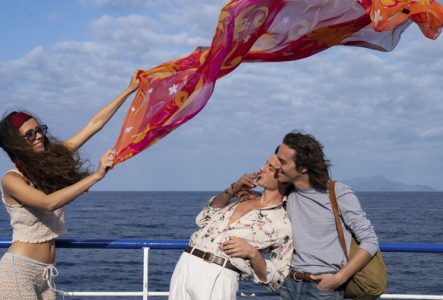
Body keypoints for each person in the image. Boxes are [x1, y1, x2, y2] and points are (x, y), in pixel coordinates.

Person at [0, 69, 143, 300]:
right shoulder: (12, 180)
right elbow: (49, 202)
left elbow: (94, 125)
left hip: (46, 275)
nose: (38, 136)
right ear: (16, 144)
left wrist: (128, 91)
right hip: (19, 273)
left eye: (39, 130)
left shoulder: (50, 163)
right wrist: (96, 176)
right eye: (29, 135)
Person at [168, 154, 293, 300]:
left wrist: (253, 254)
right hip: (186, 263)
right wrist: (234, 189)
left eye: (270, 168)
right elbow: (203, 219)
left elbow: (276, 282)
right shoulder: (242, 197)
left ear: (284, 180)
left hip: (219, 275)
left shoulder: (284, 224)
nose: (262, 168)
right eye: (266, 163)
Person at [276, 131, 380, 300]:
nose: (276, 165)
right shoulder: (286, 194)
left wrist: (339, 278)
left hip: (323, 289)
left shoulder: (337, 192)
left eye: (282, 161)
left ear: (303, 167)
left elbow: (370, 240)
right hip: (289, 285)